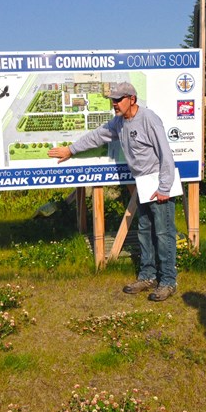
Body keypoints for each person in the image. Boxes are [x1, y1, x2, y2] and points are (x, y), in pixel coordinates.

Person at [48, 82, 178, 301]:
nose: (114, 104)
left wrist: (164, 187)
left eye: (118, 100)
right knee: (145, 231)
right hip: (143, 183)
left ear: (132, 99)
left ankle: (168, 281)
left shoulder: (148, 119)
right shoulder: (119, 123)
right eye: (112, 100)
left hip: (159, 184)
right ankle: (148, 276)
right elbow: (97, 136)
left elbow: (166, 153)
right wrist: (70, 150)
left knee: (163, 234)